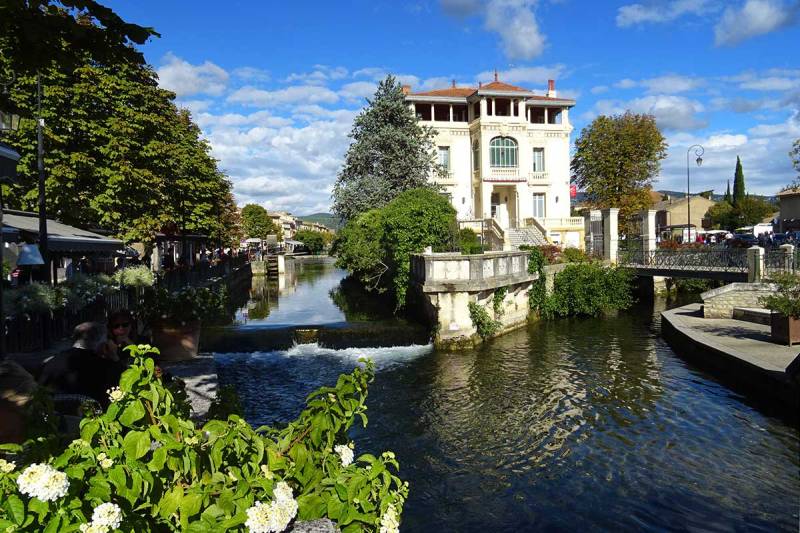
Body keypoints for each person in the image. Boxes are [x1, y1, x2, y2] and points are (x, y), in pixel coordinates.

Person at [38, 322, 124, 407]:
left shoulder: (50, 362)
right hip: (93, 418)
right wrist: (114, 356)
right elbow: (126, 382)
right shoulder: (106, 367)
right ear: (103, 345)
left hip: (56, 417)